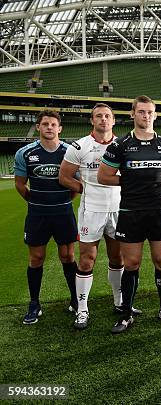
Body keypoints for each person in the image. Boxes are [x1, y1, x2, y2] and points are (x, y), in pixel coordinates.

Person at [98, 95, 161, 333]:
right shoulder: (120, 145)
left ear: (155, 115)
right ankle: (126, 314)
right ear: (133, 114)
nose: (145, 116)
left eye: (150, 112)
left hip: (160, 211)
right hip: (131, 212)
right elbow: (103, 176)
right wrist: (129, 181)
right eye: (141, 112)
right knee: (131, 263)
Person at [59, 103, 141, 330]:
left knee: (118, 259)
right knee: (87, 260)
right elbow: (64, 177)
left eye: (107, 116)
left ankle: (119, 302)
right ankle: (82, 310)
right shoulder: (80, 146)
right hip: (91, 210)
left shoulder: (124, 145)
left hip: (118, 209)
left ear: (114, 121)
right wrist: (87, 189)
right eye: (98, 116)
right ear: (92, 121)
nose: (103, 119)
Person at [14, 110, 79, 325]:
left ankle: (75, 300)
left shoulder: (70, 152)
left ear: (60, 128)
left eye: (53, 124)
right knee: (36, 258)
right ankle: (34, 304)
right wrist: (36, 201)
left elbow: (75, 185)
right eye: (45, 124)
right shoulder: (25, 153)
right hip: (37, 215)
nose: (49, 127)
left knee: (68, 257)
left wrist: (62, 201)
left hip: (63, 213)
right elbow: (20, 185)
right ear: (39, 127)